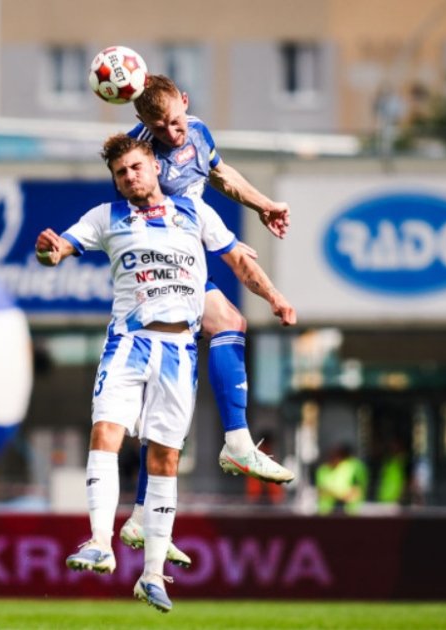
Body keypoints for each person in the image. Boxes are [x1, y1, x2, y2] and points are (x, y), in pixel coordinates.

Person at [35, 134, 295, 612]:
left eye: (135, 167)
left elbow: (239, 261)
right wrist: (48, 250)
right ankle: (98, 542)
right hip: (128, 344)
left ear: (153, 165)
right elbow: (60, 249)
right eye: (120, 173)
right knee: (106, 433)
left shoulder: (195, 212)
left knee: (165, 459)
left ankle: (152, 575)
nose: (129, 177)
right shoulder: (106, 218)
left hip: (179, 350)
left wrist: (275, 298)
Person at [118, 75, 296, 565]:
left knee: (177, 393)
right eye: (160, 126)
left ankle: (141, 515)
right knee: (223, 330)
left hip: (188, 257)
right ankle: (236, 442)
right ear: (143, 124)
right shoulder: (141, 157)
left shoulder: (198, 131)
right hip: (160, 268)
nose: (173, 133)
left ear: (186, 107)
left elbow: (220, 175)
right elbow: (144, 203)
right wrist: (227, 243)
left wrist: (262, 206)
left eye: (176, 121)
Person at [316, 443, 368, 515]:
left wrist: (333, 493)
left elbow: (356, 492)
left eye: (336, 456)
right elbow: (320, 491)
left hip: (350, 513)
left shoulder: (353, 467)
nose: (332, 458)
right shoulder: (323, 469)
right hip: (326, 513)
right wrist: (340, 494)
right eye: (330, 456)